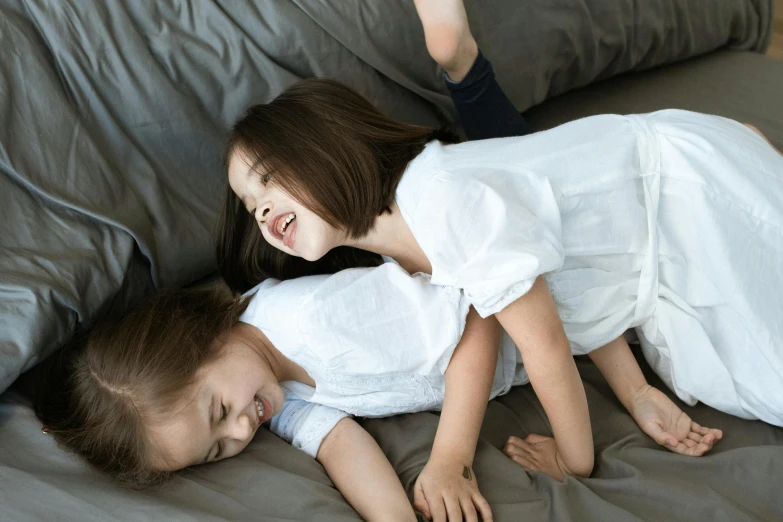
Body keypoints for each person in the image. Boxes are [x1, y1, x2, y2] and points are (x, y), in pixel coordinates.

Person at [216, 1, 783, 513]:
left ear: (325, 148)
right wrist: (636, 395)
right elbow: (567, 280)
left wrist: (574, 459)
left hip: (682, 202)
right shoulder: (406, 253)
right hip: (654, 249)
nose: (261, 213)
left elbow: (545, 345)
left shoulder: (437, 205)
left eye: (267, 183)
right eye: (250, 206)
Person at [32, 266, 723, 522]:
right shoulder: (265, 386)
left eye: (219, 414)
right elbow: (339, 445)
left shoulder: (308, 323)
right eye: (216, 452)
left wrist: (448, 458)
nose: (240, 435)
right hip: (569, 332)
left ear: (204, 341)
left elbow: (478, 316)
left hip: (555, 292)